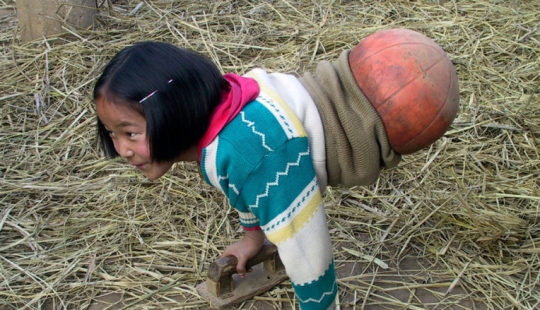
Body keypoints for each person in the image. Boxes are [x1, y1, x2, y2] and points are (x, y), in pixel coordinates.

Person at [94, 41, 402, 310]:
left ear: (173, 113)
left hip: (379, 113)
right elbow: (246, 187)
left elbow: (306, 246)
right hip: (368, 72)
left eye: (131, 133)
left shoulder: (252, 151)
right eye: (112, 133)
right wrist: (253, 239)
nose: (122, 149)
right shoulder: (224, 114)